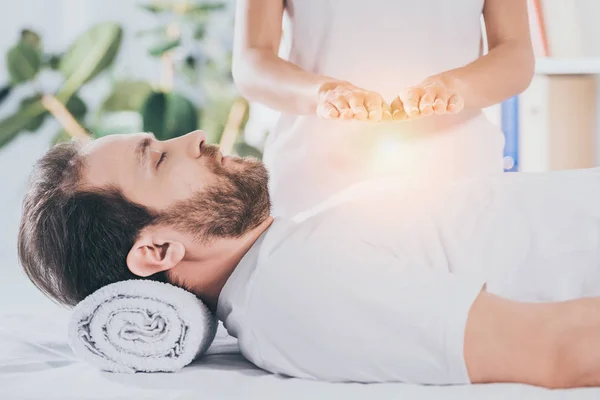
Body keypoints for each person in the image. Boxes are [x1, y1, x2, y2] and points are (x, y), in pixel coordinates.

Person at [18, 130, 600, 389]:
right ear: (158, 250)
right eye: (162, 160)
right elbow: (563, 352)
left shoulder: (287, 254)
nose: (196, 136)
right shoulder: (292, 290)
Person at [232, 0, 535, 217]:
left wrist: (454, 88)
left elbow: (515, 52)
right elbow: (252, 60)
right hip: (316, 180)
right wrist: (323, 93)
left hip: (457, 175)